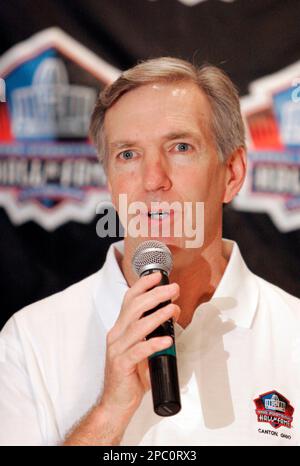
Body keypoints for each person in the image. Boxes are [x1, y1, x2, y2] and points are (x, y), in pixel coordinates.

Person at [0, 57, 299, 446]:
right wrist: (108, 414)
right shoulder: (29, 340)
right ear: (109, 182)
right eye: (128, 154)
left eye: (180, 147)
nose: (153, 180)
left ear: (232, 174)